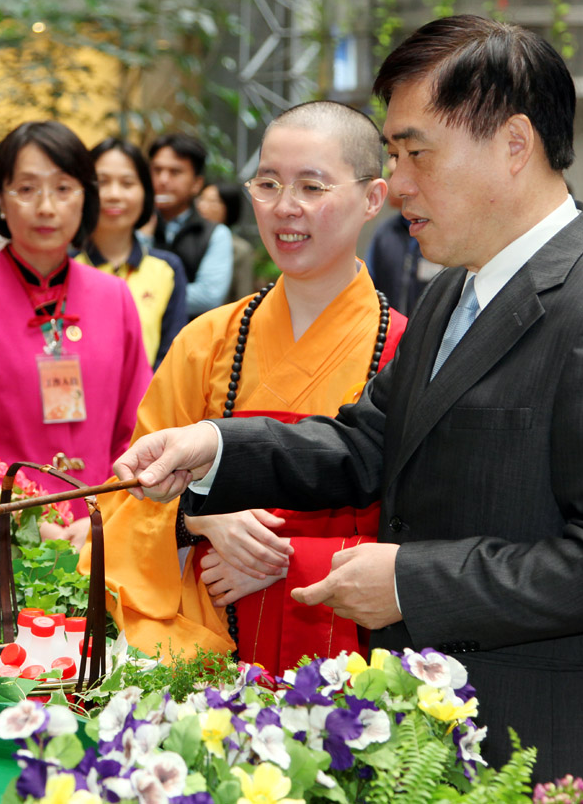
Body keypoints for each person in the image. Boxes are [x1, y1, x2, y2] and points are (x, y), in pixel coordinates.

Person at [112, 16, 583, 798]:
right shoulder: (457, 286)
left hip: (542, 744)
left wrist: (412, 581)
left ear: (513, 145)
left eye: (415, 152)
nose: (401, 184)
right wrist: (216, 449)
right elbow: (364, 444)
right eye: (393, 153)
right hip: (433, 733)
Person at [85, 101, 406, 672]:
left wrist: (289, 559)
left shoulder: (407, 349)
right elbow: (124, 498)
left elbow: (428, 533)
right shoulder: (207, 341)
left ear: (373, 198)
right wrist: (194, 518)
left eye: (312, 186)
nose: (286, 207)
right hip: (205, 654)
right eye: (268, 183)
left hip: (348, 666)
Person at [0, 121, 152, 547]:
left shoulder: (114, 295)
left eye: (63, 188)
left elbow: (138, 429)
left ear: (85, 198)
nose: (46, 207)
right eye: (26, 189)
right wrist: (12, 518)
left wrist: (109, 513)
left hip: (99, 537)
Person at [75, 138, 188, 369]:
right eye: (102, 182)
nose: (114, 194)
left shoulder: (167, 269)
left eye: (127, 183)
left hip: (147, 401)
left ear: (145, 193)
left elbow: (170, 358)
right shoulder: (65, 266)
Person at [149, 134, 234, 317]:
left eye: (175, 172)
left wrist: (144, 295)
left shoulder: (215, 234)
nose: (163, 180)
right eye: (157, 170)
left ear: (197, 184)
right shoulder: (135, 225)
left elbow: (208, 297)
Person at [365, 193, 440, 316]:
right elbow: (369, 284)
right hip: (388, 327)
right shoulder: (385, 232)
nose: (392, 185)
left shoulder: (439, 234)